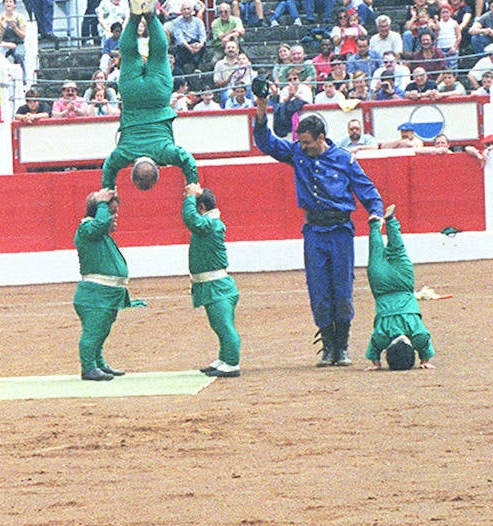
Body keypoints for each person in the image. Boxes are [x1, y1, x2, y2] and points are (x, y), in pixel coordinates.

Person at [253, 80, 383, 366]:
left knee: (342, 288)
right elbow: (266, 142)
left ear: (321, 137)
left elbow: (368, 191)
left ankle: (343, 346)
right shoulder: (298, 152)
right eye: (302, 142)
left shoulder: (344, 160)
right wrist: (262, 105)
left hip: (340, 230)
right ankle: (328, 347)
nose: (304, 147)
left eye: (308, 142)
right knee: (319, 289)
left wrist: (376, 213)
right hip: (313, 230)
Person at [100, 0, 198, 192]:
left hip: (158, 97)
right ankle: (136, 18)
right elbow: (108, 168)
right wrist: (108, 188)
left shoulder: (165, 152)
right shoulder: (123, 154)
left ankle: (151, 16)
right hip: (132, 97)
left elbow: (188, 162)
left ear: (158, 169)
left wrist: (192, 184)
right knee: (128, 54)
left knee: (159, 54)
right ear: (132, 170)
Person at [74, 189, 141, 381]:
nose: (115, 216)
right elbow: (100, 222)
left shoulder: (97, 234)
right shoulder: (87, 230)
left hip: (104, 295)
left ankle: (98, 363)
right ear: (100, 213)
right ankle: (88, 368)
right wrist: (102, 204)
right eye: (112, 212)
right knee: (93, 332)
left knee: (102, 331)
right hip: (95, 295)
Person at [364, 206, 434, 370]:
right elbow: (373, 350)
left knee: (398, 250)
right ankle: (375, 224)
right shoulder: (383, 336)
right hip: (381, 288)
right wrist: (376, 364)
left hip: (404, 285)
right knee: (376, 252)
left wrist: (424, 360)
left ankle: (391, 222)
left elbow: (425, 347)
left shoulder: (417, 336)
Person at [182, 183, 241, 377]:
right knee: (219, 325)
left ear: (201, 208)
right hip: (213, 285)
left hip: (217, 287)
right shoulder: (212, 223)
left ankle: (232, 363)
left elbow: (191, 220)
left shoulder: (208, 224)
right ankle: (224, 358)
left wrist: (190, 196)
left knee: (223, 326)